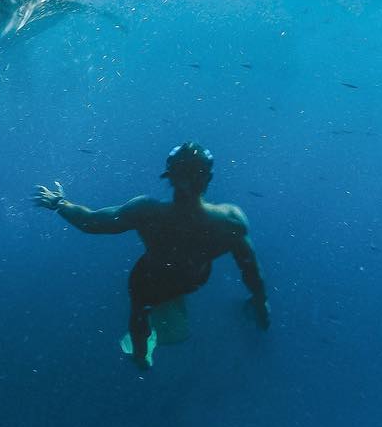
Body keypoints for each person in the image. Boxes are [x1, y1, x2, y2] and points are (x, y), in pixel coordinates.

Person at [33, 142, 270, 370]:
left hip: (150, 281)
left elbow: (92, 222)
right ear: (207, 178)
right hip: (193, 279)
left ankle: (141, 356)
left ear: (169, 176)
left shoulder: (147, 211)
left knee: (140, 309)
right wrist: (260, 301)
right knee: (169, 291)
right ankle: (161, 329)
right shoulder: (229, 221)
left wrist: (59, 203)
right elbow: (250, 268)